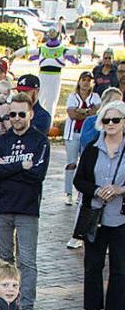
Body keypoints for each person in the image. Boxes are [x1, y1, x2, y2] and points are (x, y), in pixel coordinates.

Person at [0, 94, 49, 310]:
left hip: (27, 208)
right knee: (5, 259)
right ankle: (6, 304)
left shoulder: (40, 141)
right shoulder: (2, 140)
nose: (16, 118)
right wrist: (20, 166)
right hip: (3, 206)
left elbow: (38, 174)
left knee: (27, 260)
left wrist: (7, 166)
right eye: (11, 114)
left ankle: (27, 305)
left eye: (21, 114)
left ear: (30, 114)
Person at [72, 98, 125, 310]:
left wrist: (119, 189)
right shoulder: (93, 148)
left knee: (120, 267)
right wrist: (96, 190)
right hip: (95, 215)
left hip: (120, 217)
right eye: (107, 119)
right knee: (93, 265)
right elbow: (78, 179)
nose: (111, 123)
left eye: (116, 119)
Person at [63, 72, 99, 208]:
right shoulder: (72, 97)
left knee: (86, 165)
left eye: (88, 80)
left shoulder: (95, 97)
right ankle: (68, 193)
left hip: (88, 136)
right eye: (83, 80)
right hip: (73, 134)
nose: (85, 83)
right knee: (71, 164)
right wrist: (87, 112)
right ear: (79, 81)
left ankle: (81, 193)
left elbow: (95, 113)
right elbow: (72, 115)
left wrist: (81, 111)